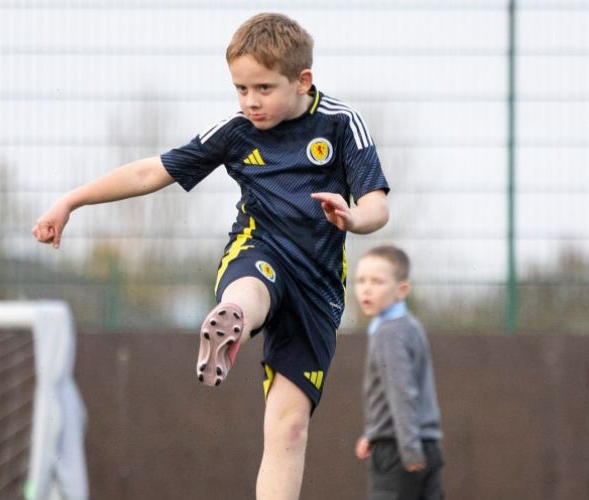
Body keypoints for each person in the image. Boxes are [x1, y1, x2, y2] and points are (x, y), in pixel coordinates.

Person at [32, 12, 389, 500]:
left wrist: (353, 217)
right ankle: (233, 319)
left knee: (288, 429)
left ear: (303, 80)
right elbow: (150, 172)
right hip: (259, 251)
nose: (250, 101)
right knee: (254, 288)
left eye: (263, 88)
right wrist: (70, 201)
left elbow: (377, 205)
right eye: (241, 89)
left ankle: (238, 320)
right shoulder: (237, 131)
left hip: (318, 287)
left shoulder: (341, 123)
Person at [353, 245, 444, 499]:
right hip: (426, 445)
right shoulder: (410, 326)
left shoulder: (389, 333)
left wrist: (409, 449)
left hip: (398, 452)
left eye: (377, 282)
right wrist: (373, 433)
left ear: (401, 290)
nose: (366, 289)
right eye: (361, 280)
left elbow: (402, 392)